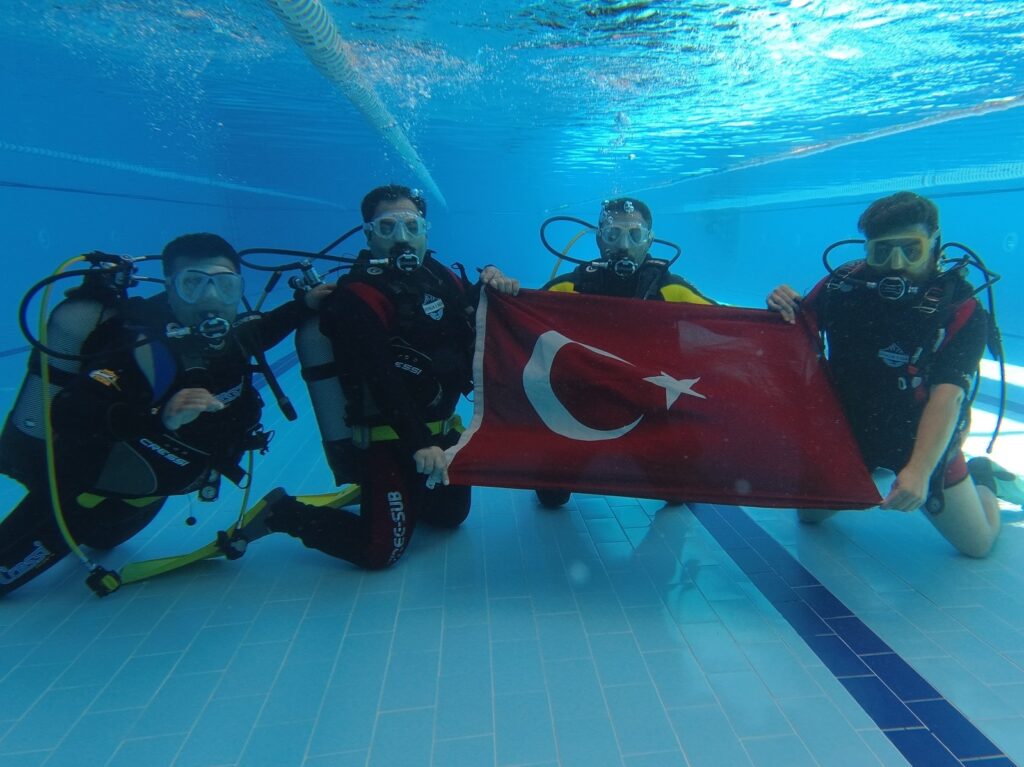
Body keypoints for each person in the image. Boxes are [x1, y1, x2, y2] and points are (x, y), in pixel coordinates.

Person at [0, 233, 330, 595]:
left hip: (146, 496)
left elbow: (263, 330)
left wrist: (305, 303)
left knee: (108, 539)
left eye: (224, 285)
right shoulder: (138, 345)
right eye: (193, 284)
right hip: (87, 499)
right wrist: (158, 418)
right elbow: (70, 411)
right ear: (170, 289)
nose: (211, 298)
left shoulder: (231, 333)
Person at [261, 184, 519, 569]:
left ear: (426, 230)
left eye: (411, 226)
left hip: (440, 431)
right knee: (380, 552)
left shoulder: (441, 277)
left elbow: (475, 314)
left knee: (450, 517)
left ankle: (395, 494)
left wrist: (494, 282)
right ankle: (281, 512)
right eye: (387, 228)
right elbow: (380, 375)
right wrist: (418, 444)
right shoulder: (358, 295)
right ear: (368, 234)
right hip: (389, 440)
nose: (402, 238)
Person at [766, 191, 1023, 557]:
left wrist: (919, 469)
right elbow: (794, 331)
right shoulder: (843, 286)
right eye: (883, 251)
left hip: (918, 435)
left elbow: (947, 397)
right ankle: (873, 469)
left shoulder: (960, 309)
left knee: (978, 545)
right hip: (851, 429)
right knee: (810, 517)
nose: (896, 264)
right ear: (867, 248)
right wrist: (779, 301)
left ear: (934, 243)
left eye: (911, 249)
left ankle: (983, 476)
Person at [536, 196, 715, 508]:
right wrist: (500, 287)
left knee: (677, 494)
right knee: (550, 496)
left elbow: (729, 325)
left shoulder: (670, 289)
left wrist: (776, 309)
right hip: (587, 409)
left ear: (649, 240)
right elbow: (521, 314)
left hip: (648, 407)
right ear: (598, 238)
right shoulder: (574, 287)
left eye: (634, 235)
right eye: (612, 234)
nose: (623, 245)